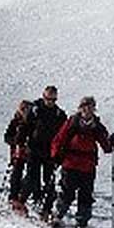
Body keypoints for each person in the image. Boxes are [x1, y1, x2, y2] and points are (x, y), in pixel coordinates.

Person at [48, 96, 114, 228]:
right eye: (85, 106)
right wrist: (55, 155)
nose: (87, 109)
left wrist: (111, 143)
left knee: (85, 197)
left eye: (90, 106)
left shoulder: (97, 125)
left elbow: (106, 146)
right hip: (70, 164)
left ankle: (82, 225)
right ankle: (58, 214)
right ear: (80, 108)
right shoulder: (72, 122)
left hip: (87, 166)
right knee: (67, 193)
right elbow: (59, 139)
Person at [24, 85, 67, 220]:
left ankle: (46, 208)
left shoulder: (59, 114)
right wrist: (20, 143)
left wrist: (61, 153)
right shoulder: (35, 111)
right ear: (43, 97)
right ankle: (32, 199)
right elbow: (25, 127)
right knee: (33, 178)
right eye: (48, 98)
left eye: (53, 99)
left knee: (49, 181)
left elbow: (64, 134)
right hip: (34, 149)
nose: (50, 102)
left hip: (50, 152)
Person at [3, 100, 34, 214]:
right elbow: (7, 136)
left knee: (31, 175)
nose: (25, 111)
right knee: (16, 173)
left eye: (27, 109)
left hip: (30, 152)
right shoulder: (15, 121)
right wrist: (15, 142)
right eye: (23, 109)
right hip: (17, 152)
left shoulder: (32, 121)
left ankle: (23, 196)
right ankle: (13, 197)